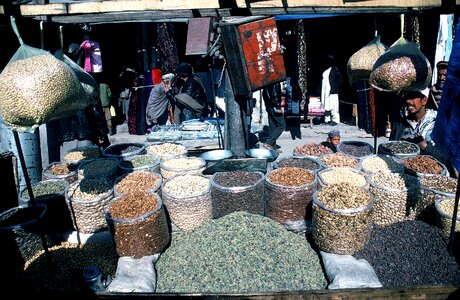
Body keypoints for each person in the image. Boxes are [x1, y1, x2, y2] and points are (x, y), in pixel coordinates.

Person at [390, 88, 457, 178]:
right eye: (406, 97)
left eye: (412, 97)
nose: (408, 101)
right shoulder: (400, 124)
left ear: (424, 101)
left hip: (431, 178)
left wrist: (425, 147)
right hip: (402, 176)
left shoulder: (436, 125)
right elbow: (390, 149)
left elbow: (445, 159)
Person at [261, 82, 286, 152]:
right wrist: (277, 106)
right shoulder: (274, 80)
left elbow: (265, 94)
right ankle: (268, 142)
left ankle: (272, 146)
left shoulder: (267, 80)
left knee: (273, 125)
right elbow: (274, 94)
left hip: (269, 105)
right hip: (274, 105)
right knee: (282, 125)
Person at [321, 54, 343, 126]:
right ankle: (327, 119)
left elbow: (340, 79)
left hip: (332, 91)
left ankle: (335, 119)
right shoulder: (325, 70)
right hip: (325, 91)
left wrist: (335, 87)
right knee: (326, 104)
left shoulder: (335, 69)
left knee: (333, 105)